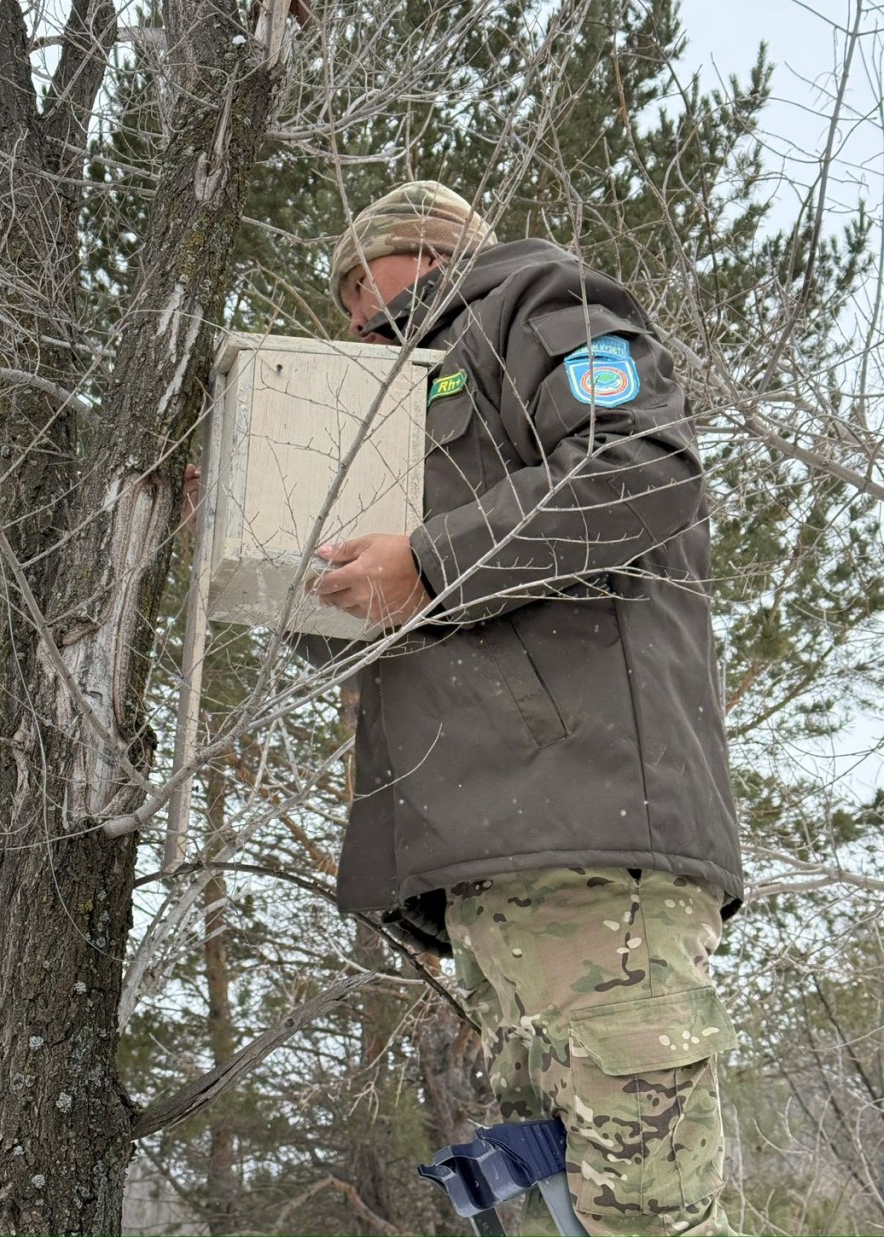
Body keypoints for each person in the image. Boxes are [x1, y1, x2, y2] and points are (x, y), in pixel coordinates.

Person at [307, 181, 744, 1236]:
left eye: (378, 300)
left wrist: (426, 560)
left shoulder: (527, 304)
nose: (363, 324)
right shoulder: (385, 405)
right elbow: (379, 627)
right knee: (554, 1210)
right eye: (354, 316)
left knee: (645, 1213)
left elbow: (638, 467)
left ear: (423, 255)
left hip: (582, 834)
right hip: (490, 875)